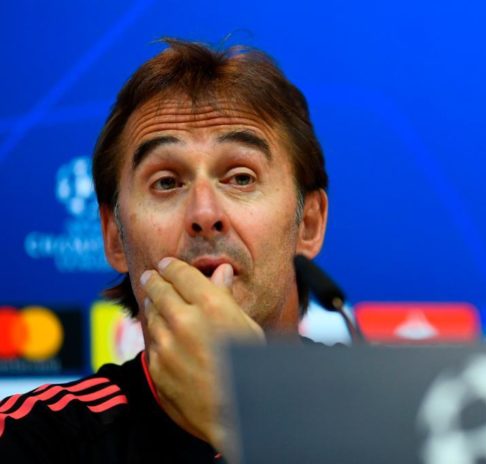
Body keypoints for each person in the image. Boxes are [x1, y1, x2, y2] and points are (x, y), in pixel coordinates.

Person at [0, 38, 329, 463]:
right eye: (167, 182)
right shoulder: (29, 439)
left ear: (308, 223)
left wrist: (240, 425)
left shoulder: (399, 415)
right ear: (114, 236)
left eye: (241, 177)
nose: (205, 214)